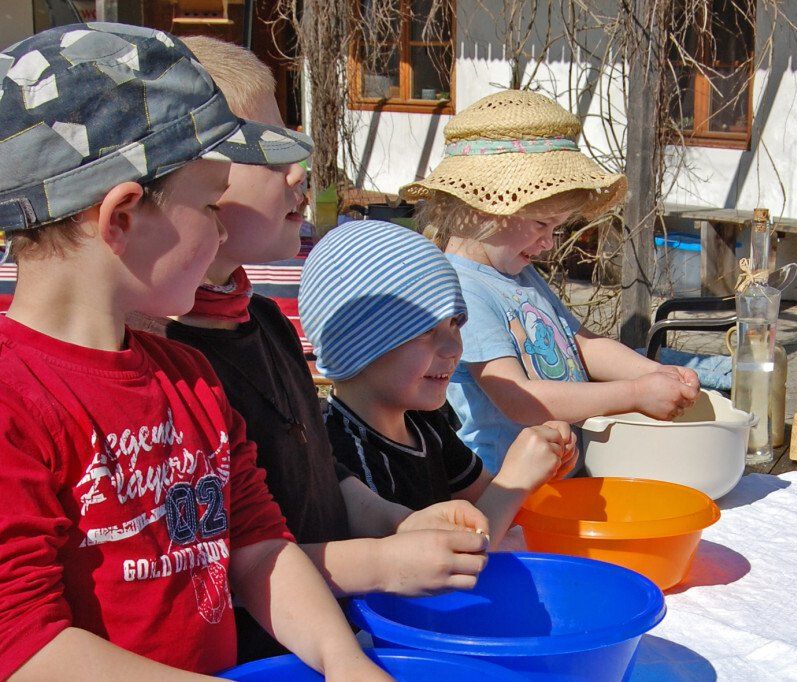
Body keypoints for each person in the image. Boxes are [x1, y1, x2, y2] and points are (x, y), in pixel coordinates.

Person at [0, 24, 385, 680]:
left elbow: (259, 546)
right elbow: (26, 643)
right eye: (209, 205)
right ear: (121, 218)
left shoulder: (190, 379)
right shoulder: (14, 401)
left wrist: (342, 659)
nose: (219, 228)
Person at [127, 36, 490, 663]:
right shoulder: (154, 356)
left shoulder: (264, 320)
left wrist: (388, 517)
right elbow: (215, 563)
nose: (298, 172)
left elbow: (314, 470)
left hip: (318, 641)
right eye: (265, 155)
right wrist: (378, 561)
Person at [400, 89, 702, 472]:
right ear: (481, 211)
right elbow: (519, 399)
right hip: (506, 485)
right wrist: (636, 393)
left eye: (557, 227)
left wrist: (655, 373)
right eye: (542, 224)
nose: (548, 243)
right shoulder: (463, 291)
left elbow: (583, 345)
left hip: (556, 473)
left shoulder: (516, 274)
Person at [298, 220, 577, 546]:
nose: (454, 349)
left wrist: (538, 465)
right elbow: (439, 559)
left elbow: (488, 498)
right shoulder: (342, 449)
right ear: (359, 345)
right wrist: (513, 480)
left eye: (455, 325)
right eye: (426, 331)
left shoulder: (424, 424)